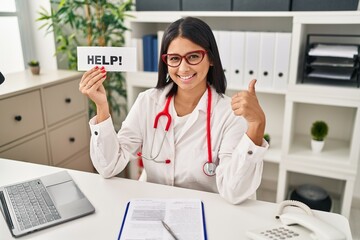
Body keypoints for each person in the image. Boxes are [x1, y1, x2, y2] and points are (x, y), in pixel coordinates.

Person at [79, 17, 268, 204]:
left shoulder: (229, 114)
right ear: (166, 62)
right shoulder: (148, 102)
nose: (183, 68)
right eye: (174, 59)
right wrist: (102, 107)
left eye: (193, 56)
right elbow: (109, 166)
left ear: (210, 58)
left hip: (207, 213)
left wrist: (256, 125)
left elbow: (233, 191)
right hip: (154, 208)